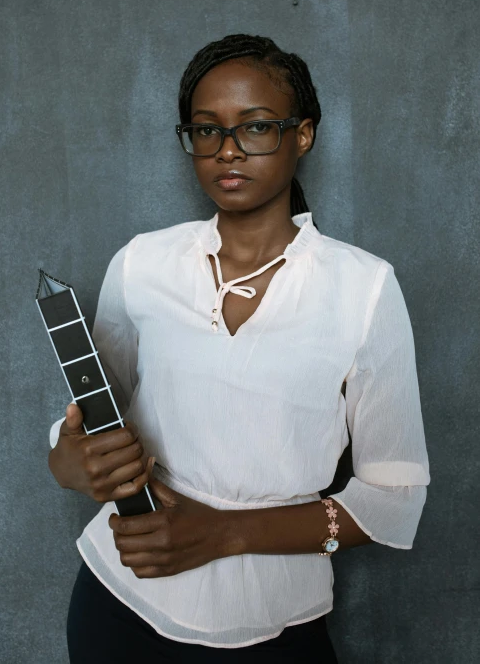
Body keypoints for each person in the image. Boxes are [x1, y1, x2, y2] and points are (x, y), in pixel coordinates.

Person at [48, 33, 431, 663]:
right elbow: (92, 419)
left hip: (276, 623)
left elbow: (393, 499)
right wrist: (68, 462)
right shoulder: (143, 263)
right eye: (206, 130)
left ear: (303, 135)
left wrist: (222, 534)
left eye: (256, 128)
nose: (227, 150)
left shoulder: (364, 288)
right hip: (118, 597)